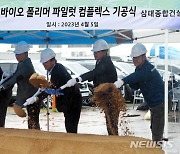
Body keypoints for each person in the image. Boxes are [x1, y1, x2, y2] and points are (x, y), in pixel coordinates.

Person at [65, 39, 118, 135]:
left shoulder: (106, 62)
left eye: (97, 52)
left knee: (112, 124)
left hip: (111, 97)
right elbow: (96, 75)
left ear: (104, 52)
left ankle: (115, 145)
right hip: (106, 96)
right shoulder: (100, 62)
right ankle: (113, 142)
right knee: (109, 123)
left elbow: (94, 73)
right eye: (94, 52)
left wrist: (78, 79)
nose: (95, 54)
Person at [114, 43, 164, 143]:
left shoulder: (147, 68)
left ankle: (158, 150)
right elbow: (136, 84)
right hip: (153, 104)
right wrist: (128, 83)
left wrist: (122, 81)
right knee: (154, 128)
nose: (135, 60)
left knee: (157, 132)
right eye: (133, 58)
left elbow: (136, 76)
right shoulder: (140, 68)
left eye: (137, 57)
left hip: (160, 103)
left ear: (144, 56)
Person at [0, 41, 41, 129]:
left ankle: (36, 139)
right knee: (31, 122)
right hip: (27, 96)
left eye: (18, 54)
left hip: (32, 97)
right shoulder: (22, 63)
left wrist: (2, 86)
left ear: (26, 53)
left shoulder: (26, 65)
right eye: (16, 54)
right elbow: (15, 76)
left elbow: (16, 78)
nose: (16, 56)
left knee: (33, 122)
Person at [40, 48, 82, 133]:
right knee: (70, 127)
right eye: (43, 63)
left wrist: (42, 94)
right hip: (72, 101)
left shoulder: (57, 71)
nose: (44, 65)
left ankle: (73, 145)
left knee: (71, 128)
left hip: (72, 102)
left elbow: (54, 88)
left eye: (46, 62)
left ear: (53, 61)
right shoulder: (58, 67)